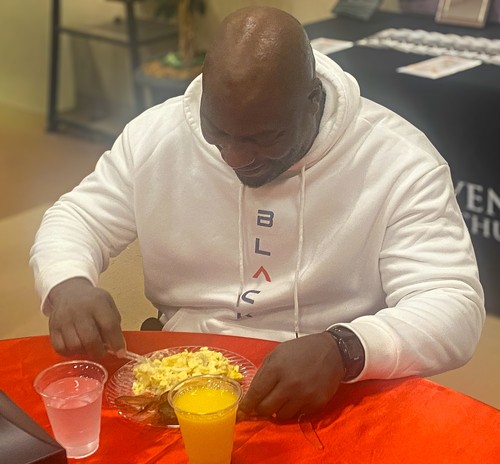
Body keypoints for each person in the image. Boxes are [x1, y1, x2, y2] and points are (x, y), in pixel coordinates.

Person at [30, 6, 484, 421]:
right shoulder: (156, 135)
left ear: (312, 101)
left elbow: (452, 305)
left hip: (330, 387)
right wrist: (68, 283)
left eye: (264, 138)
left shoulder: (398, 160)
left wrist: (344, 348)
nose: (235, 157)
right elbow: (78, 217)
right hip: (183, 380)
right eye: (218, 131)